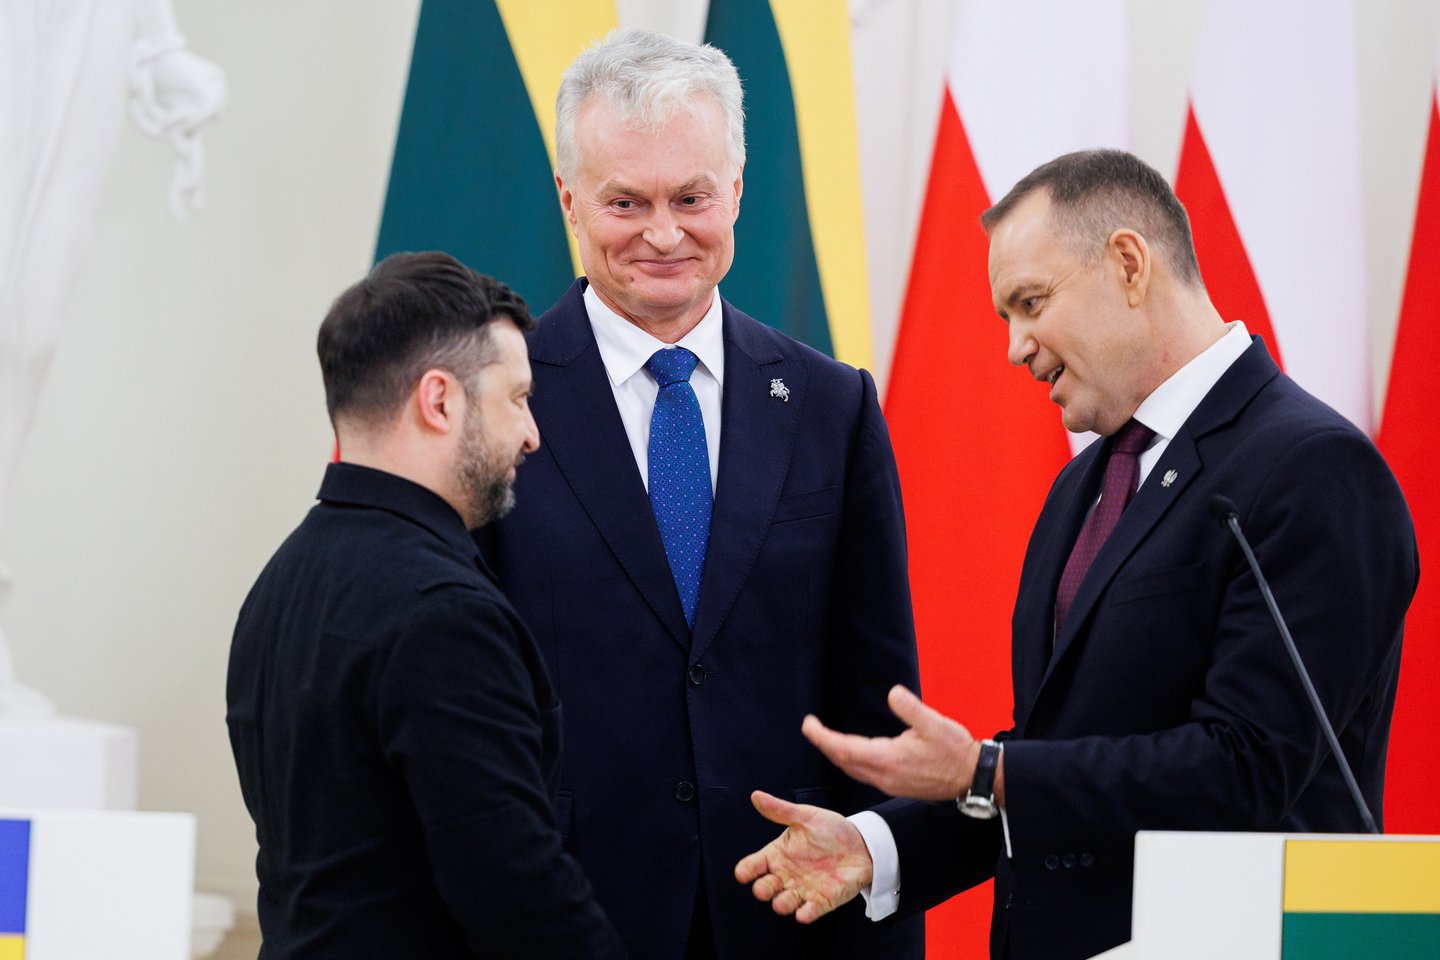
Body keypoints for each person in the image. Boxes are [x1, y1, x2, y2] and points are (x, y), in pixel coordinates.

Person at [735, 149, 1419, 960]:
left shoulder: (1313, 467)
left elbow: (1247, 767)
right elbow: (1060, 758)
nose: (1015, 347)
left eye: (1031, 303)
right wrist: (878, 846)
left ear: (1129, 264)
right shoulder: (1082, 486)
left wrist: (987, 771)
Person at [478, 28, 923, 960]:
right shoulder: (494, 402)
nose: (664, 233)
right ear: (568, 199)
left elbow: (878, 710)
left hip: (790, 914)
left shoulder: (832, 405)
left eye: (691, 197)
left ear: (738, 191)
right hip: (560, 914)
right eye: (625, 202)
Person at [226, 252, 627, 957]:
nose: (532, 433)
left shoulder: (279, 582)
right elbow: (521, 898)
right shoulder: (446, 615)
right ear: (439, 401)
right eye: (517, 399)